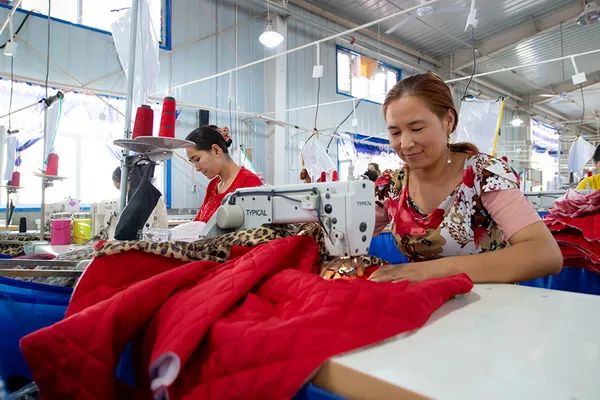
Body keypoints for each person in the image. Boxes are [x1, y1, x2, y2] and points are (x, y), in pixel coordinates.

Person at [370, 72, 562, 283]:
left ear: (448, 121)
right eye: (395, 133)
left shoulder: (484, 175)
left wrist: (434, 270)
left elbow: (545, 253)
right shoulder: (390, 187)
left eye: (416, 129)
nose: (405, 143)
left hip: (490, 300)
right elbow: (348, 234)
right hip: (425, 300)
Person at [186, 125, 262, 222]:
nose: (197, 168)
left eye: (197, 159)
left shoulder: (249, 183)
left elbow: (254, 227)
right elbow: (198, 223)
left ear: (216, 150)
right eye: (193, 162)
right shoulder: (213, 185)